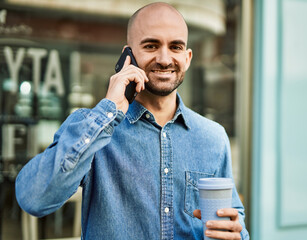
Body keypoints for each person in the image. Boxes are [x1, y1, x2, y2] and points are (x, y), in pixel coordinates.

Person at [15, 2, 249, 240]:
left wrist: (235, 234)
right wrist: (107, 111)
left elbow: (235, 222)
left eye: (175, 46)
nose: (165, 59)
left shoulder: (213, 137)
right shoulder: (92, 126)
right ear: (128, 55)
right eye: (151, 45)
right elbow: (33, 198)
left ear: (187, 58)